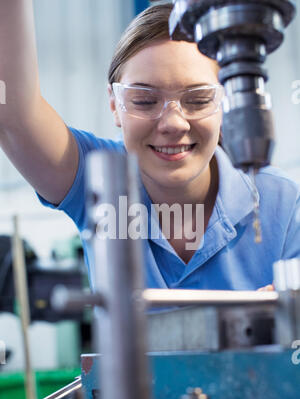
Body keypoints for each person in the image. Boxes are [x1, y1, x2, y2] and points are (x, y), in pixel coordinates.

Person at [0, 2, 299, 292]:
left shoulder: (282, 205)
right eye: (144, 100)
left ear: (224, 103)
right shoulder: (99, 180)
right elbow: (12, 113)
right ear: (115, 105)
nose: (174, 123)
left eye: (197, 100)